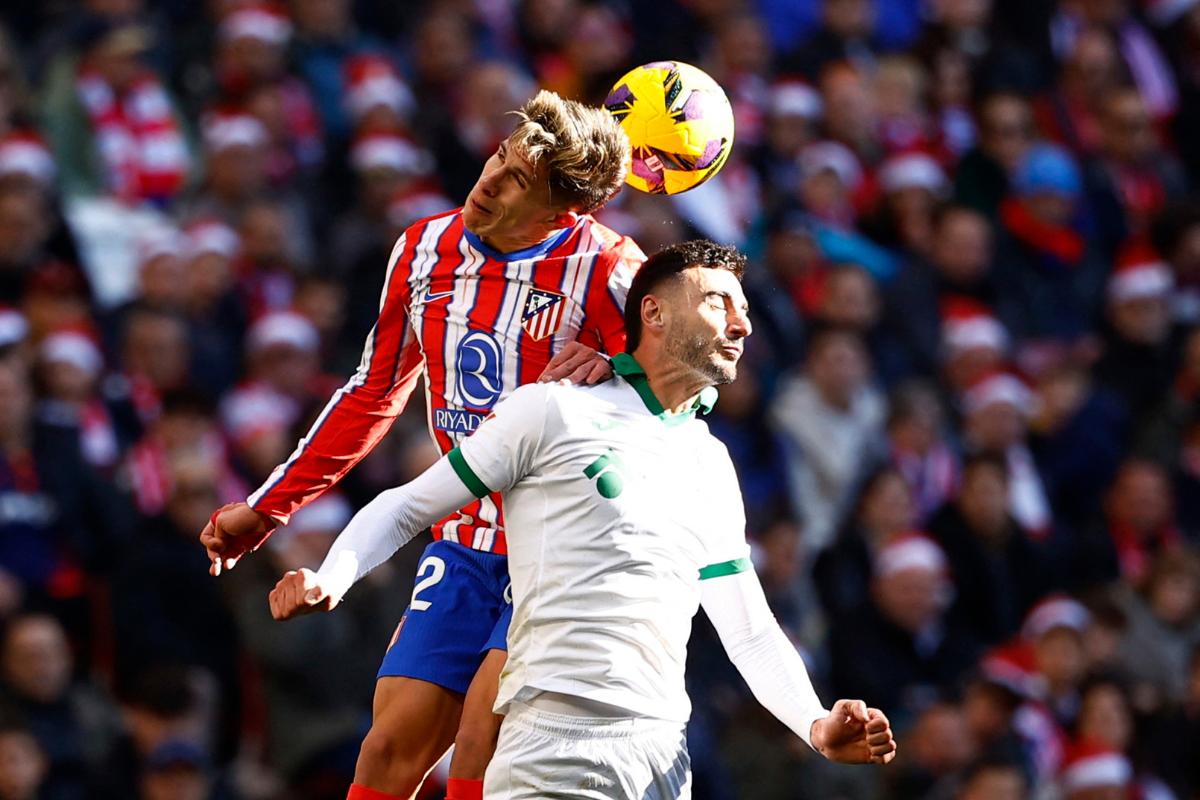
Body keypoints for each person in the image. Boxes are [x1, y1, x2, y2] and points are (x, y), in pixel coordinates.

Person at [271, 241, 897, 798]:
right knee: (398, 748)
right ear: (652, 312)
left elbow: (751, 631)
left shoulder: (709, 460)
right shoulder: (555, 412)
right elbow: (407, 504)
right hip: (554, 744)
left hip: (660, 756)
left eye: (746, 311)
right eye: (717, 303)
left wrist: (815, 723)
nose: (741, 323)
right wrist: (334, 575)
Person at [199, 89, 640, 800]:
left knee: (478, 756)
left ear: (562, 212)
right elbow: (373, 393)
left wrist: (624, 367)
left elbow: (697, 389)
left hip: (564, 548)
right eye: (499, 157)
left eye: (518, 180)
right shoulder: (423, 247)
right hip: (464, 539)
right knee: (386, 754)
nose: (490, 179)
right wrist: (269, 507)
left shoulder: (611, 269)